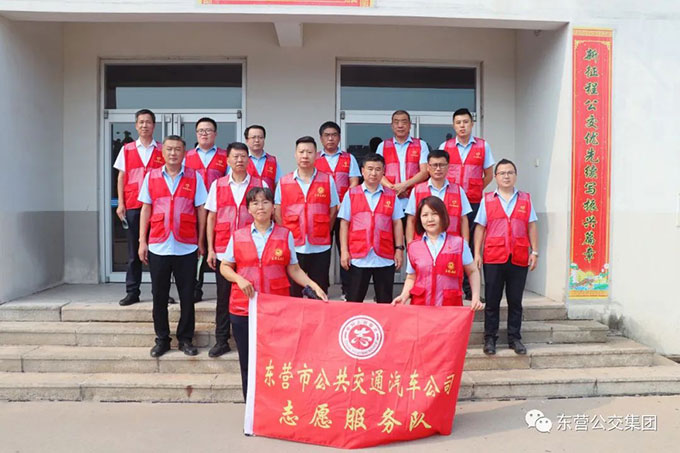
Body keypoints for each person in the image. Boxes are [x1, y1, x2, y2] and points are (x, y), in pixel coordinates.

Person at [219, 187, 328, 400]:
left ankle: (275, 406)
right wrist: (239, 279)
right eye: (255, 203)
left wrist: (313, 285)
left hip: (277, 308)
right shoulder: (238, 236)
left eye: (265, 202)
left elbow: (294, 269)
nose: (260, 207)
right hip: (244, 308)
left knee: (278, 359)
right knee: (248, 362)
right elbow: (225, 266)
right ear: (248, 209)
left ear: (273, 207)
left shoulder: (285, 235)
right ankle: (252, 408)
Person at [137, 135, 208, 357]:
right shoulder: (151, 177)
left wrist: (201, 241)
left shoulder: (194, 177)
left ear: (184, 153)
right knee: (159, 296)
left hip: (186, 246)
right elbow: (146, 209)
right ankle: (162, 339)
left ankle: (185, 338)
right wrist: (142, 241)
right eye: (169, 149)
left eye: (178, 149)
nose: (173, 153)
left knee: (187, 296)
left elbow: (201, 210)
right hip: (158, 244)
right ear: (163, 152)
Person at [205, 142, 267, 358]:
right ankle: (222, 340)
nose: (240, 160)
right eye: (236, 156)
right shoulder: (218, 185)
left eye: (243, 156)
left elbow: (267, 214)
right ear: (228, 160)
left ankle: (257, 339)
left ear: (249, 160)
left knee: (255, 294)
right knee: (224, 297)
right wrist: (210, 249)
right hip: (224, 249)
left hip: (253, 250)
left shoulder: (260, 184)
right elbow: (211, 217)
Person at [473, 159, 538, 356]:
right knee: (492, 301)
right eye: (502, 173)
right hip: (494, 257)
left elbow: (531, 226)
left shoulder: (525, 199)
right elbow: (480, 227)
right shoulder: (487, 200)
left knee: (515, 301)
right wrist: (477, 253)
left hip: (518, 256)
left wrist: (534, 251)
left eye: (510, 172)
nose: (506, 176)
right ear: (495, 177)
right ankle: (490, 339)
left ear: (515, 176)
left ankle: (514, 338)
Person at [113, 109, 174, 306]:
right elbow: (121, 177)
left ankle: (161, 292)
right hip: (133, 204)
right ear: (136, 125)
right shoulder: (127, 149)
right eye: (141, 122)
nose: (144, 125)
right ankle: (132, 291)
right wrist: (121, 203)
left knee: (158, 252)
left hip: (158, 207)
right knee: (134, 252)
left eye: (148, 122)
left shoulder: (162, 150)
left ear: (154, 125)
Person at [439, 108, 496, 300]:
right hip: (449, 204)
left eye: (465, 122)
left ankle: (471, 290)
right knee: (449, 243)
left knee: (470, 246)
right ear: (453, 126)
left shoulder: (483, 146)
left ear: (472, 124)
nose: (462, 126)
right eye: (458, 123)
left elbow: (489, 174)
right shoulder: (445, 146)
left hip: (474, 203)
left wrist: (477, 188)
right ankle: (450, 287)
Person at [393, 196, 484, 311]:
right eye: (425, 215)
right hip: (421, 308)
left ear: (443, 216)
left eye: (434, 214)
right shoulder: (414, 247)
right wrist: (404, 296)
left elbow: (472, 271)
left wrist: (475, 297)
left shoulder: (459, 244)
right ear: (419, 219)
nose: (430, 219)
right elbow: (411, 277)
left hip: (450, 308)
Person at [274, 136, 339, 297]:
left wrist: (323, 229)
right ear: (295, 154)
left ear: (316, 155)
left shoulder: (327, 180)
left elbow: (333, 210)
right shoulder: (284, 181)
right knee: (293, 290)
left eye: (309, 152)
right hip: (294, 245)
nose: (305, 156)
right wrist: (286, 235)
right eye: (301, 152)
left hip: (320, 246)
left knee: (319, 290)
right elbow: (278, 211)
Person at [338, 153, 404, 303]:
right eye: (370, 169)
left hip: (384, 255)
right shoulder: (351, 194)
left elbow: (397, 223)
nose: (373, 173)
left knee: (385, 301)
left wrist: (399, 249)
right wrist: (344, 251)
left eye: (378, 169)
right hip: (359, 255)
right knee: (354, 300)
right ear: (362, 171)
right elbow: (344, 223)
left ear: (383, 172)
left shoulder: (391, 195)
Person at [184, 117, 228, 303]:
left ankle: (224, 290)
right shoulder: (187, 157)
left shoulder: (225, 156)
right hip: (193, 210)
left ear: (215, 134)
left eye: (208, 130)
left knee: (221, 249)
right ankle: (195, 288)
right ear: (196, 134)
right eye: (201, 130)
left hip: (219, 211)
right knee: (197, 250)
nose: (204, 133)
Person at [315, 121, 360, 299]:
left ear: (339, 138)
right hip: (322, 213)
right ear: (321, 138)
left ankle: (347, 290)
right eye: (327, 135)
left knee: (345, 250)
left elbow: (354, 182)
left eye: (334, 135)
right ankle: (321, 290)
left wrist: (343, 202)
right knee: (322, 253)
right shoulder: (315, 158)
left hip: (344, 212)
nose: (330, 138)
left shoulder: (349, 158)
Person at [405, 149, 472, 244]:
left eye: (442, 165)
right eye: (434, 165)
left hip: (452, 244)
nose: (438, 169)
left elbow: (463, 220)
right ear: (428, 167)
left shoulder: (458, 190)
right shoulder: (417, 190)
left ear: (448, 167)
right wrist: (410, 245)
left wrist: (465, 245)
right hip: (423, 244)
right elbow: (411, 220)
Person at [376, 110, 429, 214]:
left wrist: (404, 186)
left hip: (414, 200)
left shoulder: (421, 145)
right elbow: (378, 173)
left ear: (410, 125)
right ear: (392, 126)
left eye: (404, 122)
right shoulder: (383, 146)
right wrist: (394, 189)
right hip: (389, 201)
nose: (400, 125)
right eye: (396, 122)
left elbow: (425, 172)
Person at [244, 125, 281, 190]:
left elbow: (278, 185)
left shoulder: (272, 161)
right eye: (253, 137)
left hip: (268, 196)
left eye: (260, 137)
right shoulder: (242, 160)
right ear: (247, 140)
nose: (257, 140)